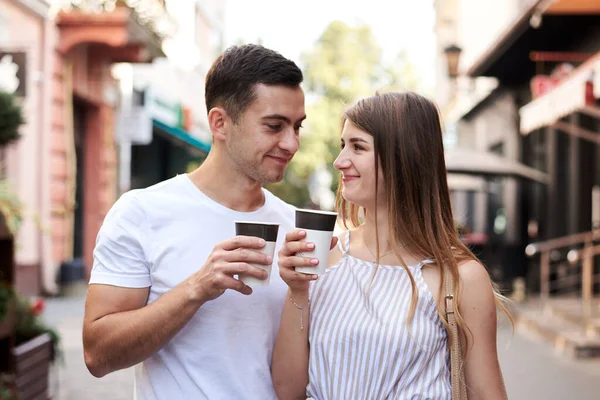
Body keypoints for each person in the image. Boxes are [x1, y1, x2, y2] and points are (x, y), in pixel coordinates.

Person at [82, 44, 308, 399]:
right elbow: (97, 354)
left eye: (297, 126)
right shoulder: (142, 213)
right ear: (220, 123)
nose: (291, 143)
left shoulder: (298, 229)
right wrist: (196, 289)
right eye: (275, 126)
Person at [272, 91, 511, 400]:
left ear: (404, 158)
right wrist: (297, 290)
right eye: (342, 145)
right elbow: (287, 390)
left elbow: (486, 394)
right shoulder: (324, 255)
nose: (339, 161)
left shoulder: (460, 277)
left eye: (358, 147)